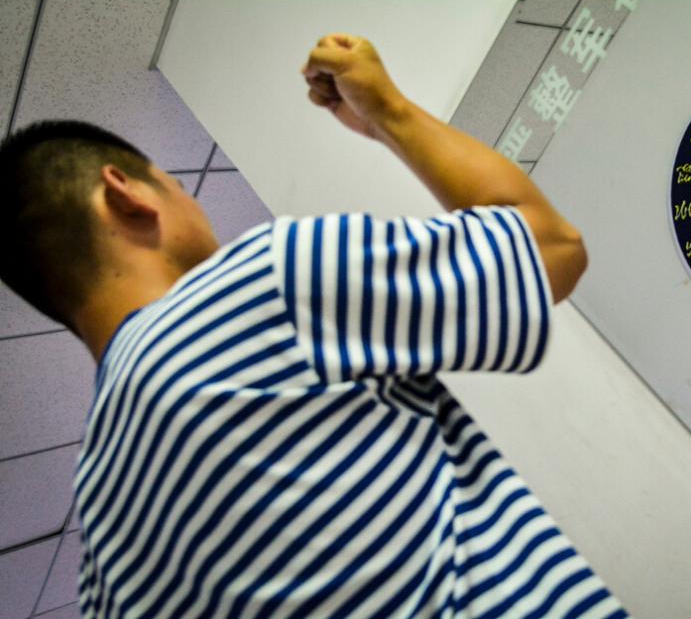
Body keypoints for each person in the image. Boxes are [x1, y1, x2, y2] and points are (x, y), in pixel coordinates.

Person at [0, 35, 628, 617]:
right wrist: (387, 111)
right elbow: (552, 249)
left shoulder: (103, 538)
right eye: (171, 182)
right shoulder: (259, 284)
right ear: (126, 192)